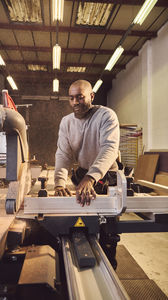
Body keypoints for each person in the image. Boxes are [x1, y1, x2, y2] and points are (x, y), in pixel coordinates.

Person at [54, 79, 120, 269]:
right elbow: (63, 154)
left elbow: (109, 148)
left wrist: (91, 177)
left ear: (91, 96)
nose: (75, 102)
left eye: (80, 97)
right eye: (72, 98)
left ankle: (110, 268)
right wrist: (59, 182)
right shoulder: (66, 122)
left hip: (107, 176)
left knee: (108, 230)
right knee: (83, 222)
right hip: (84, 174)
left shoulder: (106, 116)